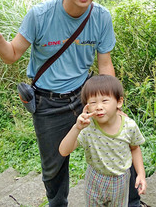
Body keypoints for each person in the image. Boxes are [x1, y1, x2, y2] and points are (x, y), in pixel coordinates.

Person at [0, 0, 142, 207]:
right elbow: (12, 54)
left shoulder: (101, 17)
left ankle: (131, 202)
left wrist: (115, 105)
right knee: (54, 166)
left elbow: (104, 63)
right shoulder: (40, 15)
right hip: (48, 103)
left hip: (85, 95)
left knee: (117, 144)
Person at [59, 75, 147, 207]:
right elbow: (64, 151)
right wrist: (76, 128)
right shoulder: (88, 128)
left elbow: (134, 148)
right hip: (95, 178)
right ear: (87, 107)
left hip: (120, 180)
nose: (99, 107)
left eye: (105, 100)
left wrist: (141, 174)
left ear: (119, 102)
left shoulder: (129, 126)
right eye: (93, 102)